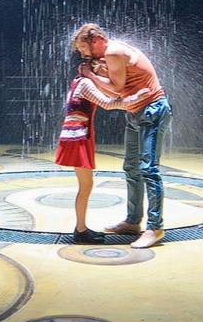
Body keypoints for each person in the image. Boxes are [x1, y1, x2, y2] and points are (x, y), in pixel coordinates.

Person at [71, 22, 172, 247]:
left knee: (149, 169)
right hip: (136, 112)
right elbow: (117, 91)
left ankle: (155, 228)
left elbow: (116, 88)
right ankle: (133, 221)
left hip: (152, 110)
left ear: (95, 40)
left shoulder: (113, 52)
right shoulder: (109, 55)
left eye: (83, 48)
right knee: (131, 168)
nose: (82, 54)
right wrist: (96, 75)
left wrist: (90, 75)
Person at [52, 56, 139, 244]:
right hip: (78, 137)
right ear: (97, 67)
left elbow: (108, 97)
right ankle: (80, 231)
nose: (108, 75)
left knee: (86, 185)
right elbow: (107, 103)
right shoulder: (85, 83)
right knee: (86, 185)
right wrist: (135, 100)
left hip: (78, 135)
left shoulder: (79, 81)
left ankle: (81, 228)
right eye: (105, 70)